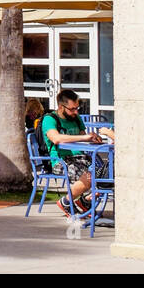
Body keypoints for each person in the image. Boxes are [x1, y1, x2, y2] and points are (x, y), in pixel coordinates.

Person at [42, 89, 108, 218]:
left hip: (81, 158)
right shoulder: (50, 119)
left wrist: (93, 138)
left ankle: (84, 202)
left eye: (77, 108)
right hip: (60, 160)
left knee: (105, 175)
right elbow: (56, 138)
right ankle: (67, 202)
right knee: (90, 176)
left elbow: (83, 138)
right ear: (61, 107)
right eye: (72, 109)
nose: (76, 112)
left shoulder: (76, 118)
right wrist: (84, 138)